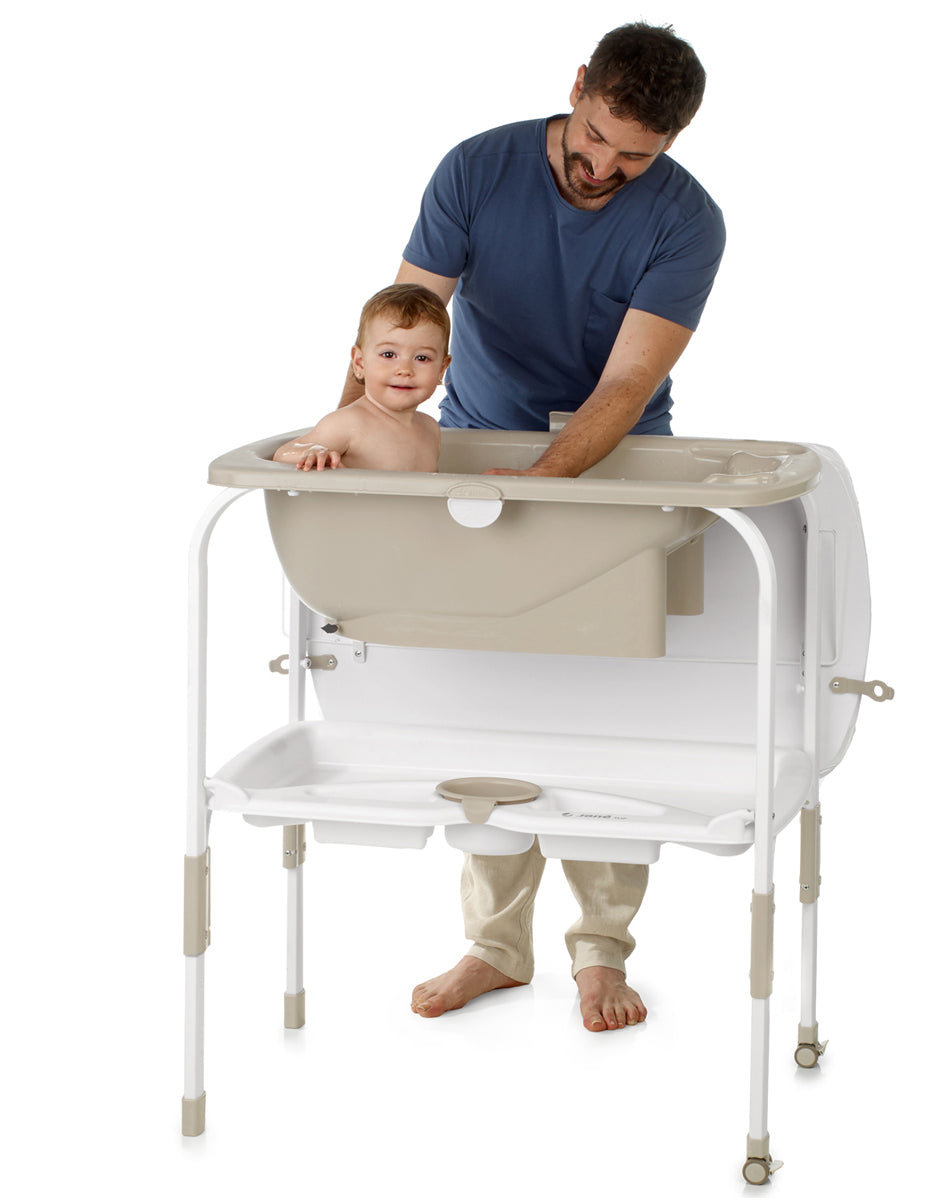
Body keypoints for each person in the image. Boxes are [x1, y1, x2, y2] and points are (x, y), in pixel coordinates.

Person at [342, 24, 725, 1033]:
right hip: (474, 446)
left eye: (634, 156)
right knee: (494, 707)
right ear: (578, 86)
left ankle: (600, 952)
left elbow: (629, 380)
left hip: (613, 462)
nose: (603, 167)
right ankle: (495, 947)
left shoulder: (687, 221)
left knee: (602, 712)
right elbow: (400, 322)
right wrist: (347, 441)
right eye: (594, 138)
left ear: (671, 144)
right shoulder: (477, 169)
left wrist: (546, 485)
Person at [275, 284, 448, 472]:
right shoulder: (348, 423)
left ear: (441, 369)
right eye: (389, 354)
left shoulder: (430, 429)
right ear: (359, 363)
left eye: (422, 358)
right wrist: (313, 451)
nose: (405, 370)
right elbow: (282, 455)